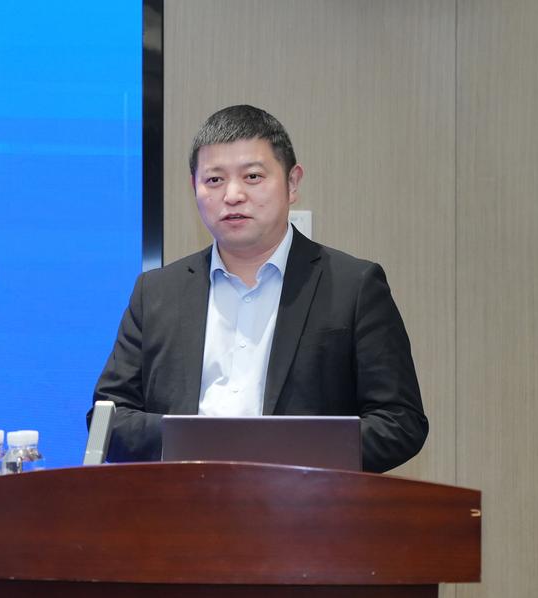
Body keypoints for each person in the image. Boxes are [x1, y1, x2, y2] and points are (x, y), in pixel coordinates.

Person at [90, 105, 427, 473]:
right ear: (194, 187)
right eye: (214, 180)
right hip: (181, 500)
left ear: (292, 183)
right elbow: (108, 419)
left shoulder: (354, 286)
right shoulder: (156, 292)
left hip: (305, 503)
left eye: (252, 176)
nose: (233, 195)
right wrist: (199, 442)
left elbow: (399, 422)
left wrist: (279, 450)